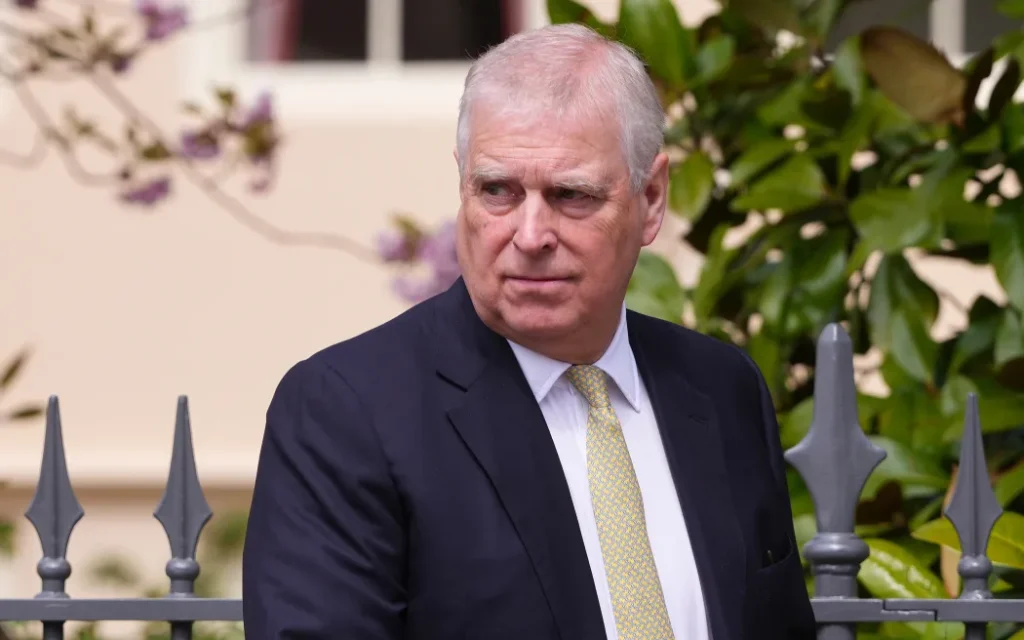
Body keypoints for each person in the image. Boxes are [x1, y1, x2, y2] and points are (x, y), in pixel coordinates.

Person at [241, 23, 815, 640]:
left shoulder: (721, 388)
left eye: (571, 195)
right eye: (497, 191)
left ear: (651, 199)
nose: (531, 234)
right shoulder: (349, 412)